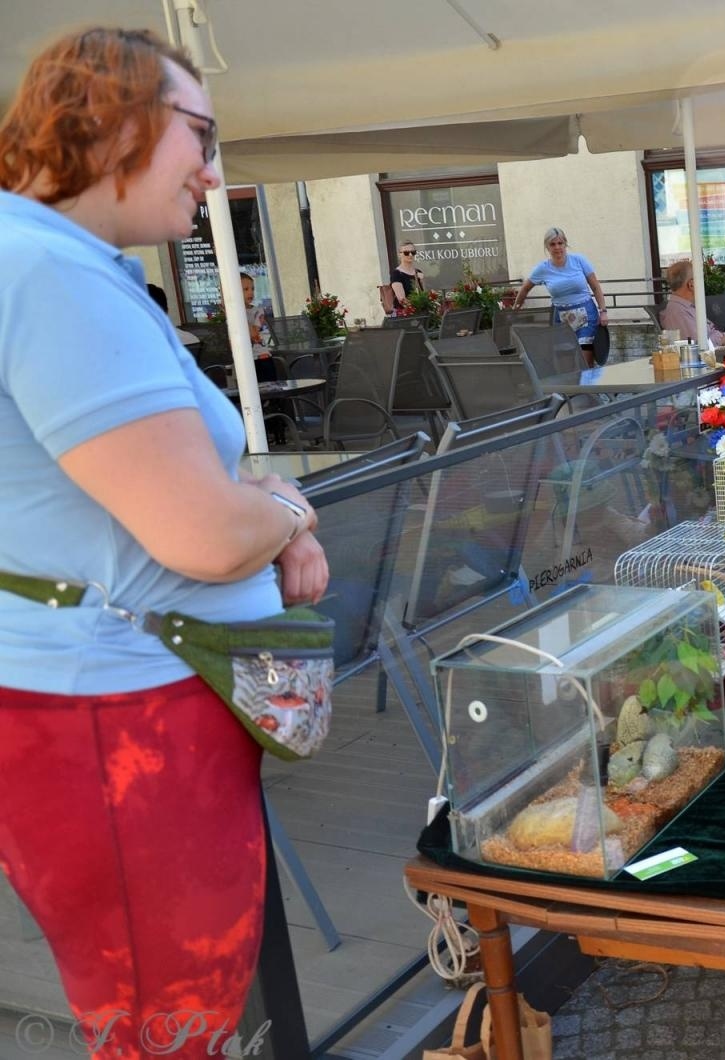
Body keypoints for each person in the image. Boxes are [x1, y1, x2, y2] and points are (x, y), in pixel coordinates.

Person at [0, 26, 329, 1057]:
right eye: (200, 132)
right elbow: (199, 529)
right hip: (118, 725)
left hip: (112, 710)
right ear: (112, 121)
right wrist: (289, 517)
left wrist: (259, 515)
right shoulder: (52, 273)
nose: (212, 169)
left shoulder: (49, 260)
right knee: (166, 1026)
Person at [512, 227, 608, 367]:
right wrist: (516, 309)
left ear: (565, 244)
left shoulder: (579, 260)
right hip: (562, 320)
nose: (557, 247)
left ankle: (589, 388)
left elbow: (595, 287)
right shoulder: (542, 269)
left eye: (560, 243)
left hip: (587, 317)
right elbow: (525, 288)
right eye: (552, 244)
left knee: (585, 363)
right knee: (566, 365)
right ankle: (570, 389)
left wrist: (603, 311)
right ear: (547, 247)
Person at [658, 259, 725, 347]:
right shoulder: (678, 312)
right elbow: (698, 345)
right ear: (691, 284)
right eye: (700, 278)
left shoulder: (684, 306)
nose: (702, 283)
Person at [388, 240, 425, 309]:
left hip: (420, 314)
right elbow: (402, 300)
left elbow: (423, 295)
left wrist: (422, 281)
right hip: (405, 314)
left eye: (413, 252)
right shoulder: (396, 274)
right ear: (400, 254)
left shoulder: (418, 272)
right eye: (406, 253)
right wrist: (418, 309)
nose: (410, 255)